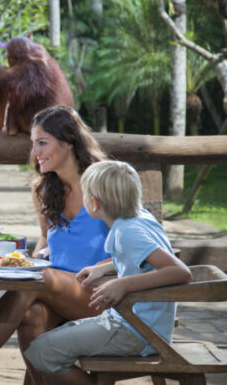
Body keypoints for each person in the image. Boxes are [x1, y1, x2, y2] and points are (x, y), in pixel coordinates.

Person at [0, 106, 110, 384]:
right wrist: (37, 255)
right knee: (31, 313)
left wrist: (97, 268)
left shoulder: (103, 183)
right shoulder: (43, 189)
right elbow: (45, 238)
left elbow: (134, 243)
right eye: (33, 144)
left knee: (35, 279)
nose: (35, 152)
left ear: (69, 141)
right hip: (57, 290)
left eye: (42, 143)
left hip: (100, 292)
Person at [24, 160, 192, 384]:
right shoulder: (138, 220)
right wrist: (102, 267)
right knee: (49, 343)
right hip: (138, 325)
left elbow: (180, 272)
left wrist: (123, 284)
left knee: (41, 353)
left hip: (137, 331)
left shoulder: (127, 232)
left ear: (94, 203)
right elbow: (143, 257)